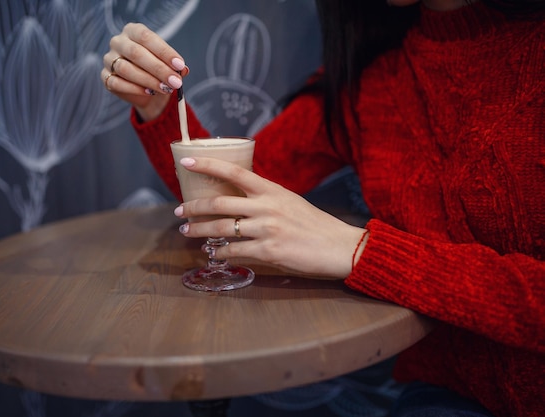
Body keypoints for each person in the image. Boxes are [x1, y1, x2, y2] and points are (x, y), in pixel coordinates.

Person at [101, 0, 544, 416]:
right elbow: (232, 196)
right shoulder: (369, 80)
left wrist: (363, 252)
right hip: (451, 392)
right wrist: (157, 104)